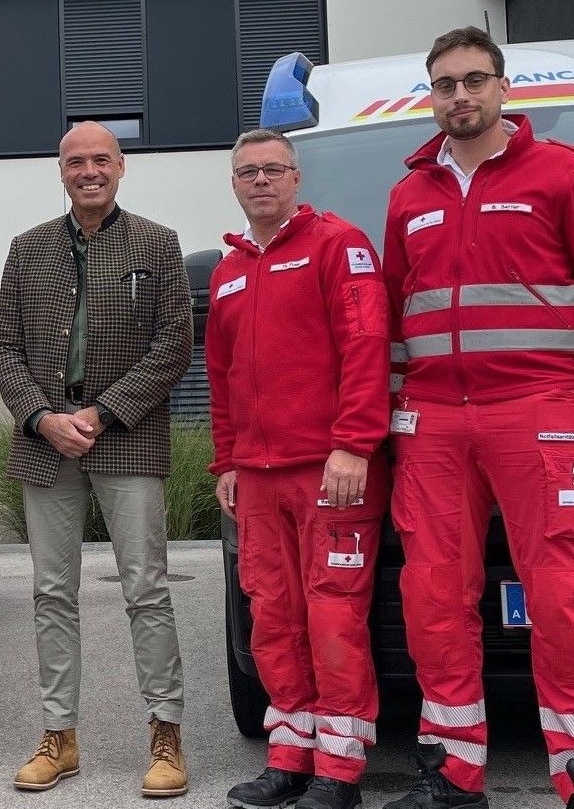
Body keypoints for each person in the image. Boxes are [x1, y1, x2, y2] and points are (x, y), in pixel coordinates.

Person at [382, 27, 574, 809]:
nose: (459, 96)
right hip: (432, 418)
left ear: (504, 89)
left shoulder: (566, 175)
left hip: (541, 412)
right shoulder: (408, 195)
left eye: (473, 80)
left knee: (560, 594)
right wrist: (392, 422)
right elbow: (394, 326)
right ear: (429, 98)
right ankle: (453, 774)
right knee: (432, 596)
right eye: (444, 85)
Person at [0, 121, 194, 798]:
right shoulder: (27, 250)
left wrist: (101, 412)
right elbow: (6, 348)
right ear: (61, 171)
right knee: (52, 592)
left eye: (100, 158)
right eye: (75, 161)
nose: (88, 170)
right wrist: (43, 417)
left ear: (121, 166)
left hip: (125, 434)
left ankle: (165, 731)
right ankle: (59, 735)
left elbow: (172, 346)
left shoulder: (157, 244)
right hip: (46, 440)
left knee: (147, 589)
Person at [207, 130, 390, 809]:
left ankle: (339, 771)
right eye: (248, 171)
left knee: (333, 615)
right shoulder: (228, 273)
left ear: (296, 176)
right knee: (273, 617)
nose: (261, 180)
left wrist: (353, 443)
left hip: (329, 470)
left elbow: (367, 345)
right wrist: (225, 459)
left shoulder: (339, 246)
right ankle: (289, 755)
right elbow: (222, 378)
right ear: (234, 183)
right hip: (256, 476)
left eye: (273, 169)